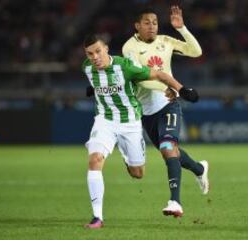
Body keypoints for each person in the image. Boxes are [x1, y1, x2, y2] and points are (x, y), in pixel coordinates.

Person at [82, 34, 199, 228]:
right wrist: (94, 89)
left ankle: (127, 156)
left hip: (130, 123)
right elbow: (99, 83)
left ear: (106, 49)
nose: (94, 57)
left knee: (138, 173)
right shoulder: (86, 67)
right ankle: (97, 218)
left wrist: (181, 89)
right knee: (95, 160)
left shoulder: (125, 66)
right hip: (104, 121)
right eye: (89, 53)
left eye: (97, 51)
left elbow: (159, 75)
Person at [122, 6, 209, 218]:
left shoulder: (166, 41)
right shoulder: (130, 48)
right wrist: (166, 85)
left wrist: (182, 29)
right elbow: (139, 77)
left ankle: (175, 202)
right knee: (171, 152)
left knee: (168, 147)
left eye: (154, 22)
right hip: (146, 111)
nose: (152, 26)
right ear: (137, 26)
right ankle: (199, 169)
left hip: (168, 103)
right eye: (146, 23)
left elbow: (196, 52)